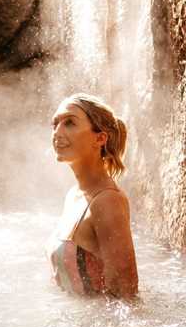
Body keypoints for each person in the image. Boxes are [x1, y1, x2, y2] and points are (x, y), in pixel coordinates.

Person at [45, 93, 139, 299]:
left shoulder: (107, 201)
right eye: (55, 124)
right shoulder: (74, 195)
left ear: (100, 138)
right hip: (72, 325)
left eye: (69, 123)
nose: (57, 132)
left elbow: (125, 296)